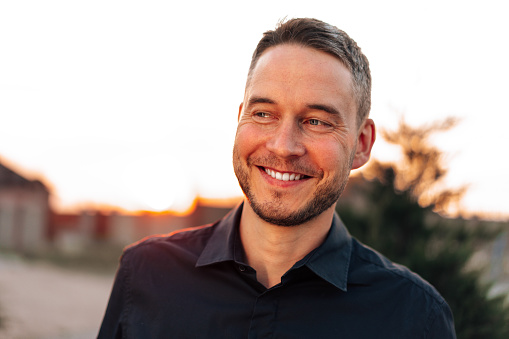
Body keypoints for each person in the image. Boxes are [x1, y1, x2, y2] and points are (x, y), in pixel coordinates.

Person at [98, 18, 456, 338]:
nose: (284, 146)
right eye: (264, 113)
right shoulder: (145, 273)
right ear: (241, 118)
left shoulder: (414, 317)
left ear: (361, 144)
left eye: (316, 121)